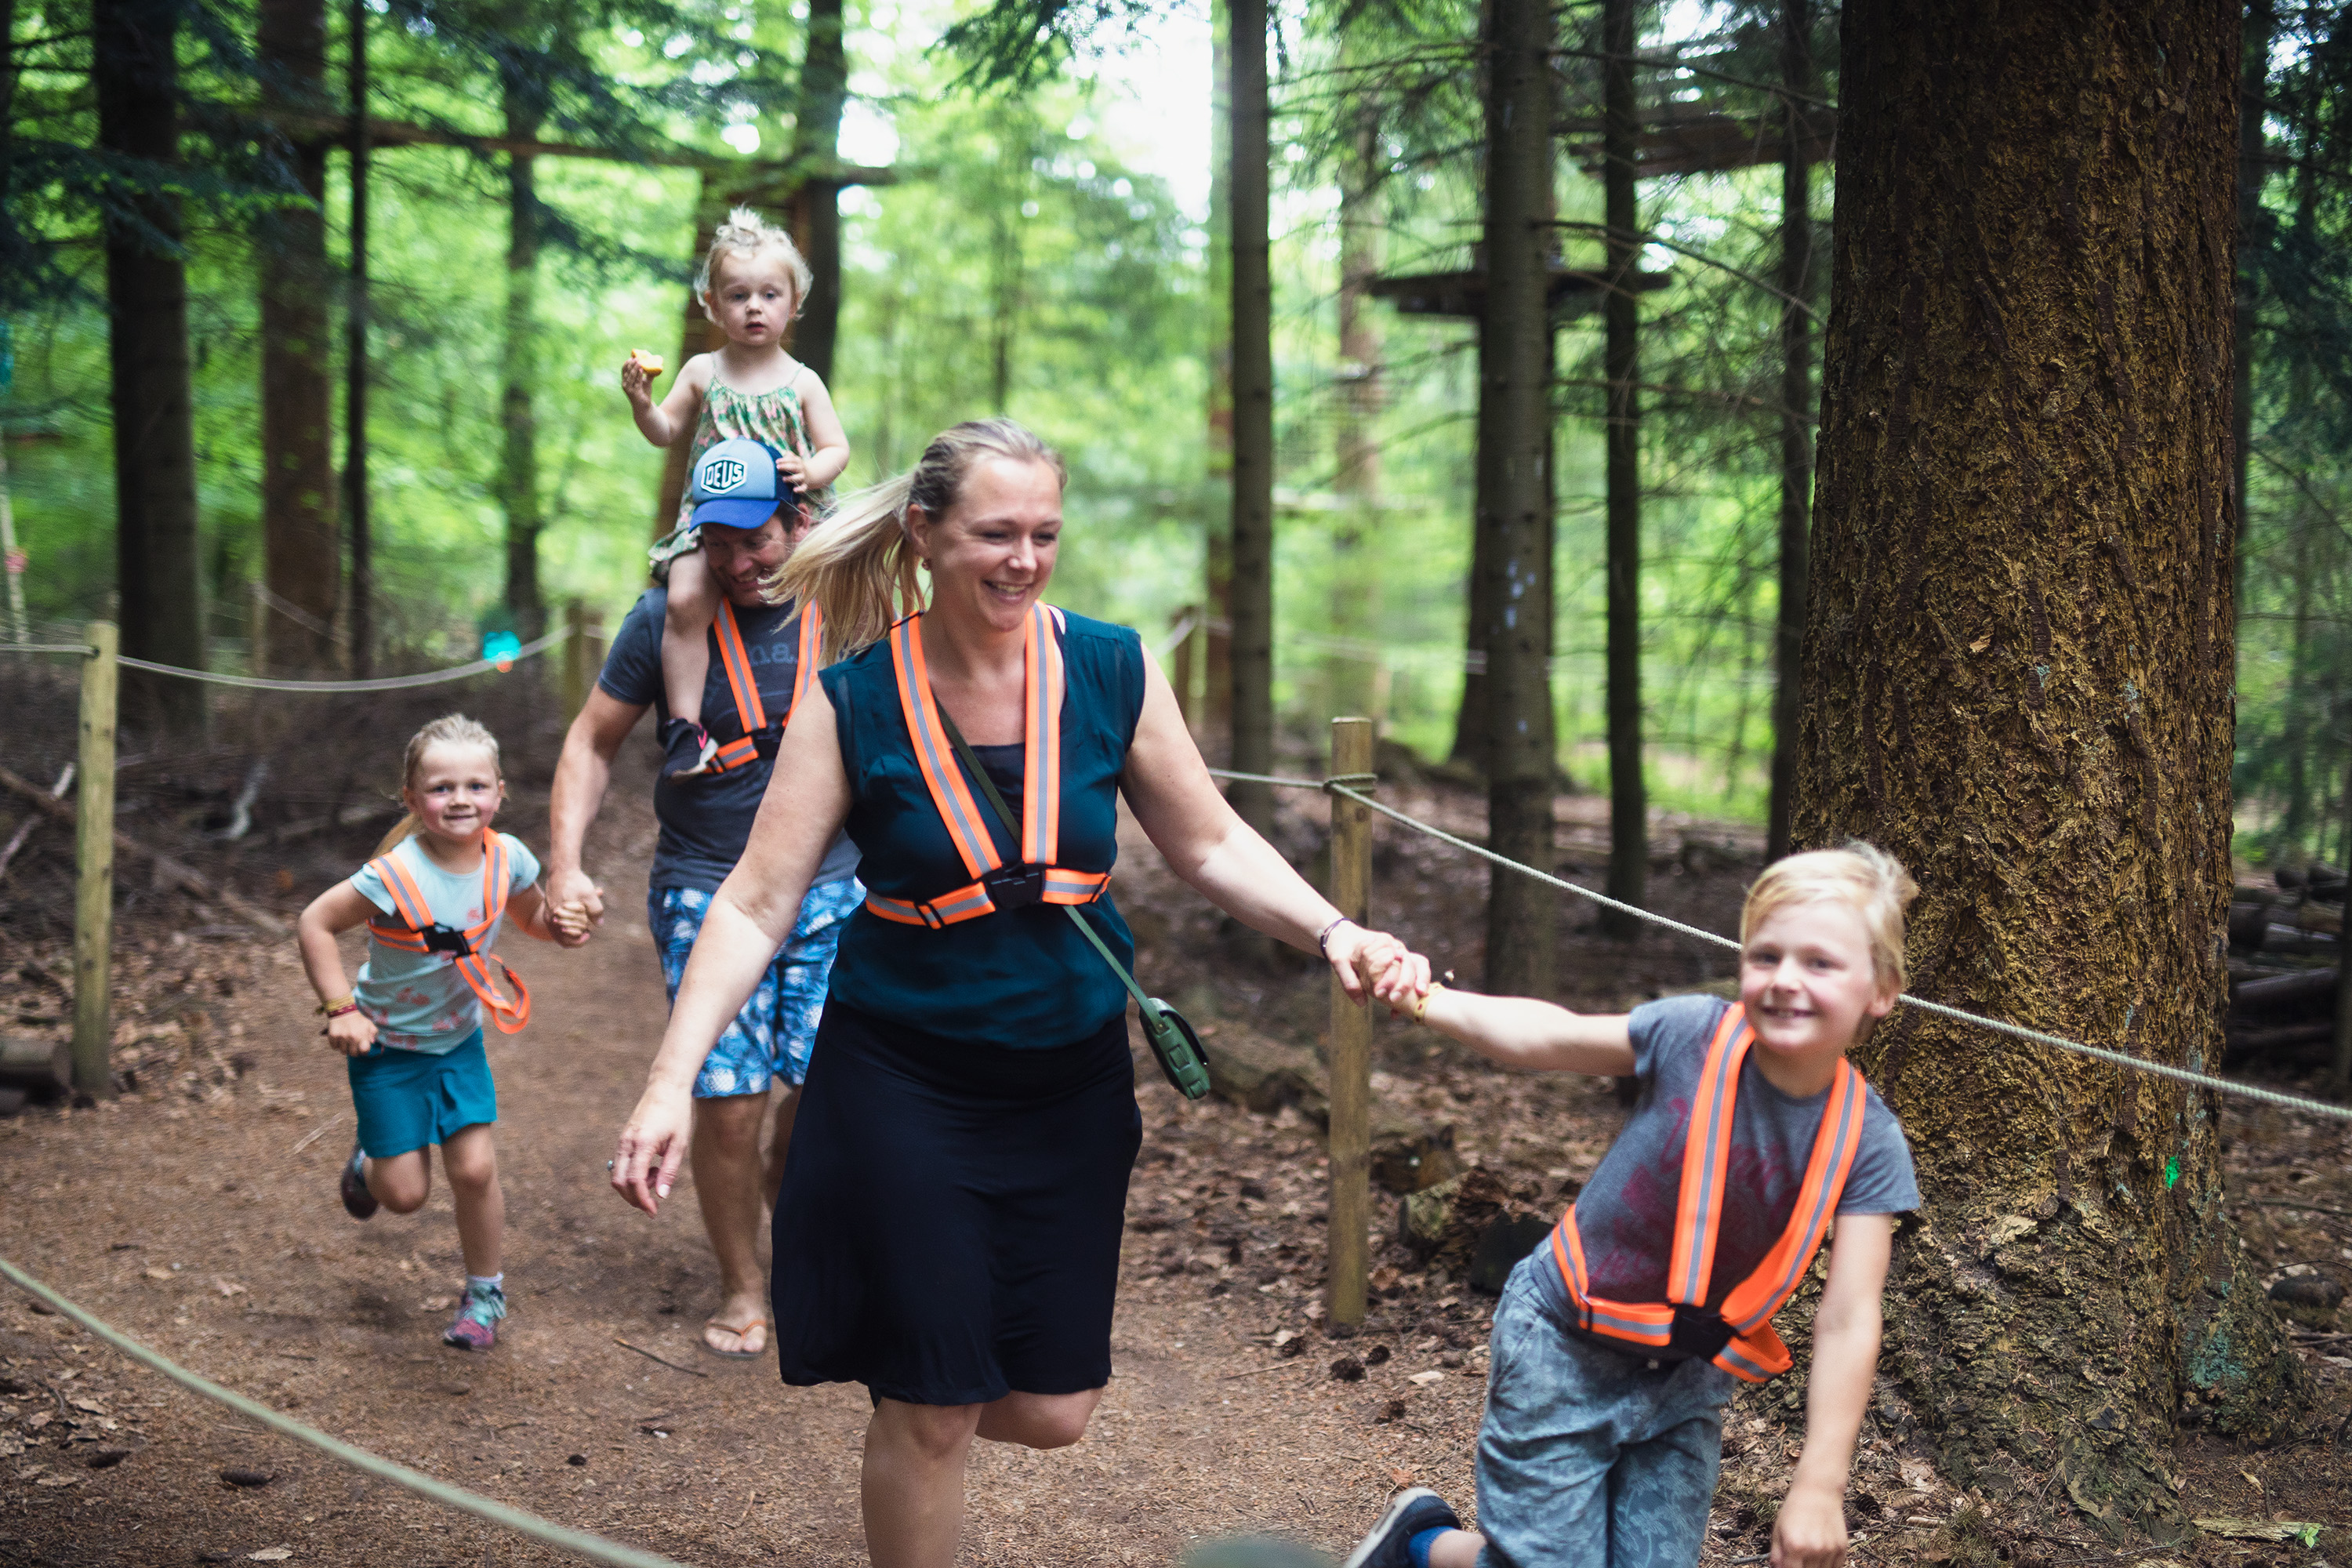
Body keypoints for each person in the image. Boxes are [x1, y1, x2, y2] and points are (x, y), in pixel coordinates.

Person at [607, 418, 1427, 1568]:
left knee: (1052, 1410)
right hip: (902, 1071)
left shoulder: (1111, 667)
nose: (1023, 558)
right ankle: (918, 1392)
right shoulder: (854, 698)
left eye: (1044, 533)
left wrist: (1334, 928)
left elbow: (1209, 844)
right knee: (938, 1405)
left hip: (1068, 1078)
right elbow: (753, 901)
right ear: (926, 534)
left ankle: (910, 1375)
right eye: (995, 533)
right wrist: (667, 1083)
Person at [1345, 844, 1923, 1568]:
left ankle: (1421, 1544)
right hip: (1563, 1342)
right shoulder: (1692, 1035)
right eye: (1766, 955)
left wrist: (1819, 1482)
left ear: (1883, 989)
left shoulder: (1868, 1140)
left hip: (1683, 1382)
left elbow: (1847, 1318)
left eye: (1820, 963)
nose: (1784, 981)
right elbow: (1547, 1036)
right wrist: (1425, 1000)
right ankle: (1425, 1546)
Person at [547, 442, 862, 1359]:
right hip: (702, 884)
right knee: (727, 1100)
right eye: (719, 544)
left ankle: (790, 1203)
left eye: (758, 540)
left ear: (800, 523)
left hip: (834, 885)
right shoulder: (663, 621)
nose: (740, 564)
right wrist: (564, 863)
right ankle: (744, 1283)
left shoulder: (844, 613)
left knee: (820, 1095)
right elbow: (590, 742)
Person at [295, 713, 578, 1351]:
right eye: (442, 788)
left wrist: (563, 926)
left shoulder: (508, 858)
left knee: (475, 1170)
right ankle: (368, 1165)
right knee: (403, 1195)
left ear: (499, 793)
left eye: (476, 786)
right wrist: (342, 1009)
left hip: (457, 1042)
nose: (460, 800)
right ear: (412, 799)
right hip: (386, 1049)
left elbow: (532, 918)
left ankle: (484, 1294)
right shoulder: (393, 875)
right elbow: (315, 922)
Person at [622, 205, 851, 779]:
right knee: (682, 600)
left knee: (845, 584)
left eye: (770, 295)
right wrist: (642, 405)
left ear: (794, 303)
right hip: (718, 522)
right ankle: (684, 728)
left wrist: (813, 471)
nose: (755, 307)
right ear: (712, 305)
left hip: (792, 516)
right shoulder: (703, 370)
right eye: (738, 295)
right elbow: (666, 432)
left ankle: (847, 713)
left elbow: (836, 449)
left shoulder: (803, 381)